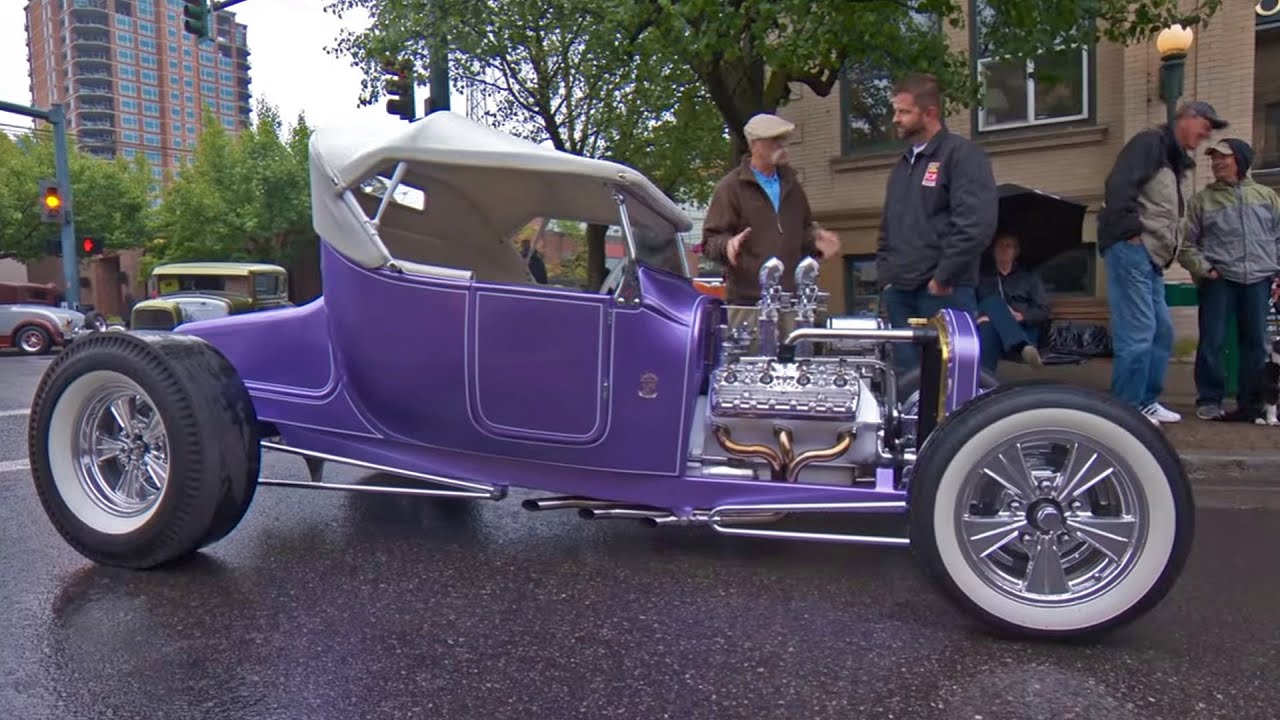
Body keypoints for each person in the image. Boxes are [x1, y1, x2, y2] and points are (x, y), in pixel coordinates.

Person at [1096, 100, 1226, 425]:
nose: (1205, 136)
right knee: (1138, 332)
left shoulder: (1173, 159)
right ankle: (1126, 411)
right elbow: (1118, 186)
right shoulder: (1149, 144)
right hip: (1131, 250)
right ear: (1186, 118)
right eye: (1204, 128)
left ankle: (1146, 401)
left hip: (1152, 257)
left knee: (1162, 332)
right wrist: (1130, 232)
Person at [875, 73, 998, 373]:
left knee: (949, 378)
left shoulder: (962, 155)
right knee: (906, 382)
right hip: (900, 292)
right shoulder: (902, 166)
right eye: (895, 111)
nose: (896, 119)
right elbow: (888, 227)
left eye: (904, 112)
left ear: (929, 113)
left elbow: (975, 224)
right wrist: (886, 279)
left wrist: (943, 276)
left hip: (944, 291)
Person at [701, 112, 840, 336]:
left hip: (793, 302)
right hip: (749, 303)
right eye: (775, 140)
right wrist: (727, 246)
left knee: (795, 357)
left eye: (783, 139)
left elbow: (802, 232)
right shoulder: (730, 188)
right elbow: (710, 242)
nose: (783, 145)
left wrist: (817, 241)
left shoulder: (792, 185)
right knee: (752, 358)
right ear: (755, 145)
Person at [1180, 138, 1280, 420]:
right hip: (1219, 280)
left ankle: (1252, 403)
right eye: (1214, 158)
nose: (1217, 163)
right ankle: (1209, 400)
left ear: (1241, 161)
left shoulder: (1267, 196)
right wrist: (1207, 270)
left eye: (1224, 157)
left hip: (1259, 279)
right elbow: (1185, 246)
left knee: (1256, 343)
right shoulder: (1201, 200)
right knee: (1212, 341)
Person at [975, 232, 1048, 372]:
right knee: (990, 310)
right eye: (1000, 246)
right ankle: (1021, 346)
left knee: (990, 314)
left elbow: (1044, 310)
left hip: (1024, 331)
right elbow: (971, 305)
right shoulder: (982, 277)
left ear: (1015, 252)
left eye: (1008, 246)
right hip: (994, 333)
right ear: (993, 250)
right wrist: (981, 317)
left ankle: (984, 379)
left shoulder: (1028, 277)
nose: (1003, 249)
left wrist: (1021, 317)